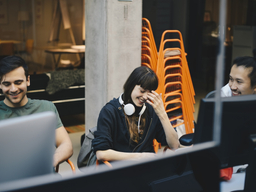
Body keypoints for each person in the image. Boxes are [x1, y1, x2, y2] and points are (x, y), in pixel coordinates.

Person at [92, 66, 180, 162]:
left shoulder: (151, 111)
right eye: (142, 91)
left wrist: (162, 114)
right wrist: (140, 157)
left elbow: (175, 145)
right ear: (130, 86)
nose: (146, 97)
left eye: (150, 92)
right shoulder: (109, 111)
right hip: (119, 170)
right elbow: (101, 153)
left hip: (147, 169)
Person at [0, 55, 73, 169]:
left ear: (28, 80)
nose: (13, 89)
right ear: (0, 84)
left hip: (43, 177)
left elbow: (66, 144)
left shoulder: (46, 108)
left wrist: (52, 160)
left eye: (18, 82)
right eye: (7, 84)